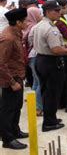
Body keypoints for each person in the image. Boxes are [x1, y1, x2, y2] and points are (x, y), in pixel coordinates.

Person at [34, 1, 67, 132]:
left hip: (41, 59)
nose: (59, 13)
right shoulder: (50, 28)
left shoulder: (40, 25)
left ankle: (51, 117)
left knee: (47, 92)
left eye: (59, 10)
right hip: (50, 62)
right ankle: (49, 122)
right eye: (56, 11)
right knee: (52, 93)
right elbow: (56, 50)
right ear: (48, 12)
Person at [0, 8, 29, 150]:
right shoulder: (8, 38)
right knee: (8, 109)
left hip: (18, 76)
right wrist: (12, 82)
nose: (28, 23)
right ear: (18, 22)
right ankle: (7, 139)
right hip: (10, 79)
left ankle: (15, 130)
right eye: (25, 20)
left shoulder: (16, 33)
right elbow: (1, 63)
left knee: (17, 106)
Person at [24, 7, 43, 116]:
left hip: (31, 57)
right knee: (40, 82)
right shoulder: (35, 27)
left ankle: (34, 103)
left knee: (36, 82)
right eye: (39, 14)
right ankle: (38, 108)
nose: (40, 16)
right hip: (35, 56)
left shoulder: (27, 26)